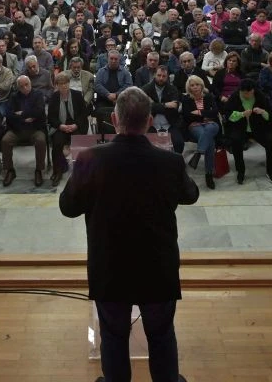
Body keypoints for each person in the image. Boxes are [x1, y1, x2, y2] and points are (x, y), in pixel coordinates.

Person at [59, 86, 198, 382]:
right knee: (161, 335)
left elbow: (68, 207)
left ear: (113, 118)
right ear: (149, 121)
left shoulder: (89, 159)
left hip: (110, 266)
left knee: (113, 336)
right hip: (157, 266)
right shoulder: (170, 162)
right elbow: (191, 195)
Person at [224, 78, 272, 184]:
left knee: (271, 142)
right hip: (240, 127)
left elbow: (270, 116)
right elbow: (228, 116)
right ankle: (240, 171)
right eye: (244, 93)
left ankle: (271, 171)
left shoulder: (261, 96)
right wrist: (241, 114)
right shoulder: (235, 97)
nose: (247, 95)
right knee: (236, 142)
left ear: (254, 90)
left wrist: (263, 112)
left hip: (259, 128)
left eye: (249, 93)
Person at [1, 74, 48, 186]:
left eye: (26, 85)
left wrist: (21, 113)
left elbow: (40, 111)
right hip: (17, 129)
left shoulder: (38, 94)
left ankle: (39, 170)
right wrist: (25, 117)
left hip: (35, 128)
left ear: (30, 84)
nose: (25, 88)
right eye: (21, 86)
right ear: (18, 87)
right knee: (5, 141)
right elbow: (9, 114)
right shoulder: (14, 96)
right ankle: (10, 170)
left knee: (41, 140)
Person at [47, 71, 89, 186]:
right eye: (61, 84)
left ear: (69, 83)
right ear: (57, 86)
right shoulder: (54, 97)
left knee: (79, 142)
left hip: (76, 125)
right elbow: (51, 117)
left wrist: (75, 125)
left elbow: (83, 114)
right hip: (61, 126)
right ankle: (57, 171)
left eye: (66, 83)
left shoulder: (77, 95)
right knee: (57, 143)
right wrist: (61, 126)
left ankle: (82, 171)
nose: (64, 86)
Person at [178, 75, 220, 189]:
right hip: (195, 126)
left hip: (211, 125)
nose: (195, 87)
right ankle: (209, 174)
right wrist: (206, 115)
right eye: (192, 85)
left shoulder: (209, 96)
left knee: (210, 129)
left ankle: (198, 153)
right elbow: (187, 116)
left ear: (201, 85)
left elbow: (215, 112)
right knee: (210, 142)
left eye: (197, 85)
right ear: (189, 87)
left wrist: (199, 113)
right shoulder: (186, 99)